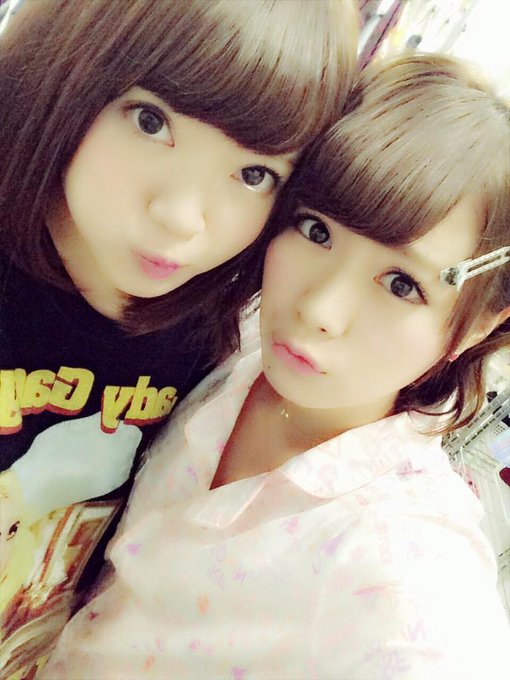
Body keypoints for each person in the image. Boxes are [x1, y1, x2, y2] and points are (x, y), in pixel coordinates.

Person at [43, 52, 510, 679]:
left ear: (478, 326)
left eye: (403, 285)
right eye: (315, 231)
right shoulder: (231, 348)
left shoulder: (398, 565)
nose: (319, 309)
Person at [0, 0, 359, 676]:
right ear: (67, 70)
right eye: (151, 121)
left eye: (253, 174)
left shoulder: (205, 337)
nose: (182, 218)